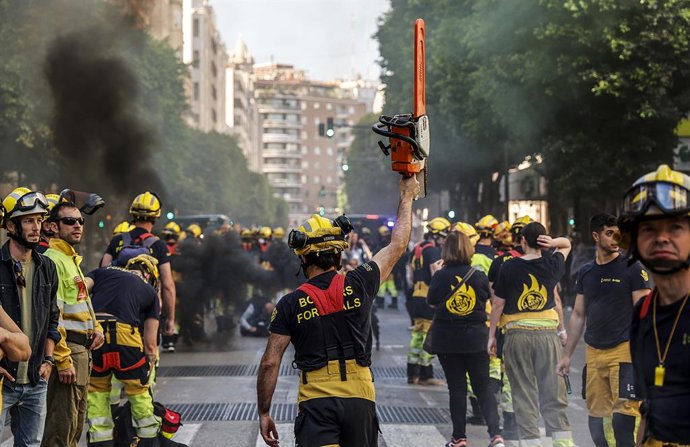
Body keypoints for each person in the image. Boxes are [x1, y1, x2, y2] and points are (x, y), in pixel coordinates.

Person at [256, 175, 419, 447]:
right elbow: (398, 245)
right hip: (360, 398)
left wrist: (264, 411)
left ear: (303, 257)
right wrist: (407, 196)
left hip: (316, 402)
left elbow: (270, 362)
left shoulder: (289, 304)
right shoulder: (361, 282)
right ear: (339, 255)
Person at [556, 214, 650, 447]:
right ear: (596, 236)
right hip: (594, 353)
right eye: (609, 233)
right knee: (598, 423)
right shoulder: (587, 273)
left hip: (625, 351)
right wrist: (567, 355)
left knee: (624, 419)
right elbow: (578, 315)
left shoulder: (632, 268)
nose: (615, 238)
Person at [618, 164, 690, 445]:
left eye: (675, 226)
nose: (661, 237)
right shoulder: (643, 313)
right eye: (648, 228)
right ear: (634, 241)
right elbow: (649, 407)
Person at [488, 222, 575, 447]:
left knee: (523, 393)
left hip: (517, 335)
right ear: (543, 242)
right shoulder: (552, 264)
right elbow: (566, 244)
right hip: (547, 335)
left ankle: (531, 443)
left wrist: (491, 336)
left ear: (523, 241)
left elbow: (498, 304)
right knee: (553, 391)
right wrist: (553, 243)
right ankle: (563, 443)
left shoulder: (509, 266)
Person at [428, 231, 504, 447]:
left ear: (446, 251)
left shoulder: (440, 276)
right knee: (483, 388)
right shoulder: (478, 275)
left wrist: (435, 274)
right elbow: (488, 299)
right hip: (476, 339)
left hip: (448, 340)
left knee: (457, 388)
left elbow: (432, 302)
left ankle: (459, 437)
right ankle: (496, 435)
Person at [42, 201, 105, 447]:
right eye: (70, 221)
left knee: (75, 426)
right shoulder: (53, 260)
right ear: (52, 227)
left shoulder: (70, 259)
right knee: (61, 427)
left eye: (80, 221)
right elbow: (52, 314)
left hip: (82, 351)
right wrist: (62, 359)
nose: (77, 225)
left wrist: (96, 328)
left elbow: (81, 303)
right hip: (69, 351)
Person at [0, 188, 58, 447]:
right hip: (2, 379)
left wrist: (48, 360)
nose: (37, 227)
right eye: (28, 220)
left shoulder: (47, 267)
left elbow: (53, 318)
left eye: (39, 220)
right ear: (11, 225)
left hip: (36, 379)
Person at [84, 255, 162, 446]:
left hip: (95, 334)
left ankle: (101, 441)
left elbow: (79, 292)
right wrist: (148, 369)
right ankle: (147, 440)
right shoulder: (150, 292)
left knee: (97, 393)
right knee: (138, 394)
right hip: (127, 337)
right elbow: (151, 344)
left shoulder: (101, 272)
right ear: (151, 276)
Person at [101, 192, 176, 337]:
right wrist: (170, 318)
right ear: (156, 216)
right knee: (148, 354)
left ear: (133, 214)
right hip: (147, 312)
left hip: (117, 310)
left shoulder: (117, 241)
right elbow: (168, 285)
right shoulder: (159, 245)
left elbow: (102, 273)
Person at [406, 216, 451, 386]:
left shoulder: (417, 249)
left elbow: (410, 276)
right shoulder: (433, 252)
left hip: (416, 297)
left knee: (417, 335)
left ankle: (413, 374)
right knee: (428, 335)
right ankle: (426, 374)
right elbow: (436, 274)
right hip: (427, 298)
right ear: (438, 235)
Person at [375, 226, 398, 308]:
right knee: (391, 287)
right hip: (391, 269)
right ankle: (394, 303)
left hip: (384, 269)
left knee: (382, 287)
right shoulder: (392, 242)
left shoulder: (382, 243)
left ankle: (380, 303)